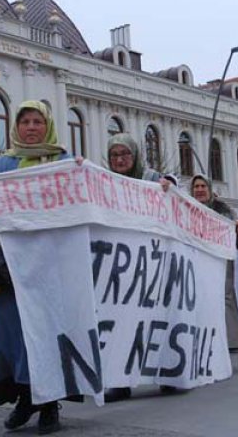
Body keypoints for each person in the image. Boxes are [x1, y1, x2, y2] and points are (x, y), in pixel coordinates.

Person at [0, 100, 69, 434]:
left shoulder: (63, 161)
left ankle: (49, 405)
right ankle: (25, 397)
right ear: (17, 127)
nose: (31, 127)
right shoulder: (1, 164)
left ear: (48, 125)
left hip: (51, 268)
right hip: (10, 270)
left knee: (46, 335)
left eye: (37, 121)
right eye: (25, 121)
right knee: (14, 337)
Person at [104, 132, 170, 401]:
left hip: (151, 259)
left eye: (125, 154)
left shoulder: (151, 178)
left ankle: (167, 372)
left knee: (157, 317)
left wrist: (169, 185)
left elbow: (174, 196)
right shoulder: (105, 181)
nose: (120, 160)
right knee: (121, 320)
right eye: (114, 155)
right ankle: (120, 380)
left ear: (135, 155)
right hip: (119, 263)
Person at [190, 174, 238, 352]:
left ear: (209, 189)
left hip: (221, 258)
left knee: (224, 295)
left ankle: (230, 340)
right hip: (198, 257)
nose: (199, 190)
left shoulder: (222, 208)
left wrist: (236, 228)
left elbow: (232, 230)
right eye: (196, 186)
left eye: (203, 186)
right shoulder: (187, 207)